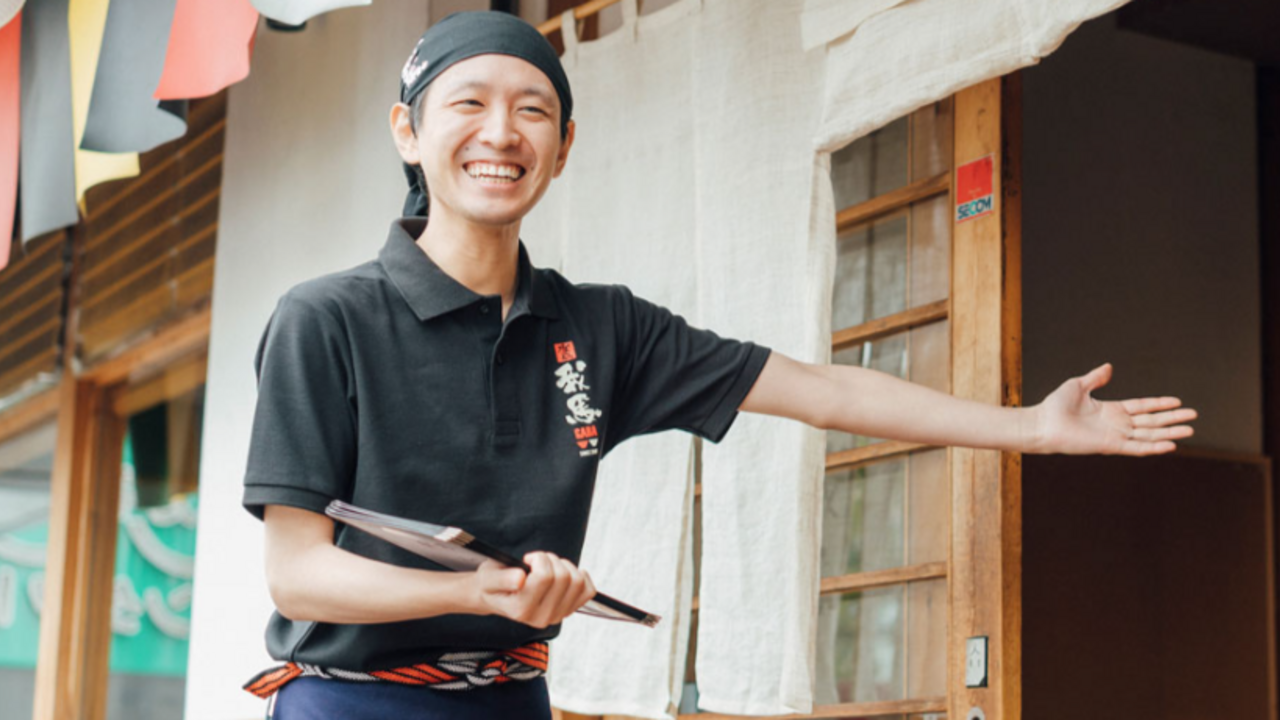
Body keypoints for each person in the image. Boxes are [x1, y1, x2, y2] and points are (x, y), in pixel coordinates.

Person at [239, 11, 1196, 720]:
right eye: (469, 104)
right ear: (409, 133)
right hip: (349, 700)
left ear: (563, 149)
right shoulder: (326, 319)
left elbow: (822, 389)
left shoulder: (602, 328)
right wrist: (472, 589)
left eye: (533, 109)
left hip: (515, 697)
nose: (501, 133)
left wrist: (1030, 427)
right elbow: (299, 575)